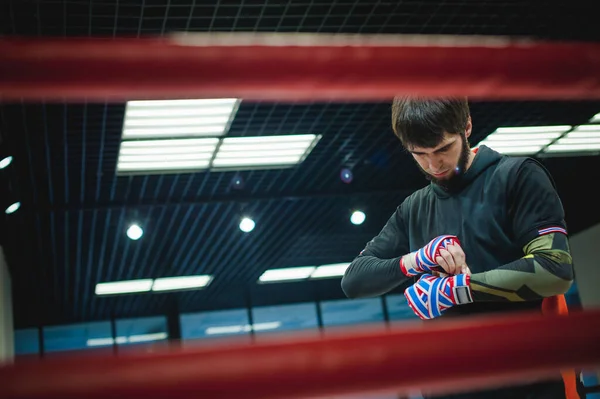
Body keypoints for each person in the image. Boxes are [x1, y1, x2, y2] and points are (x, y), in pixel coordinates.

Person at [341, 97, 578, 399]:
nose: (433, 164)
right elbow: (353, 280)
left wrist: (458, 290)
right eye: (419, 154)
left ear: (466, 126)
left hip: (528, 386)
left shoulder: (518, 177)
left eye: (442, 149)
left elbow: (555, 270)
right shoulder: (413, 208)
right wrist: (415, 261)